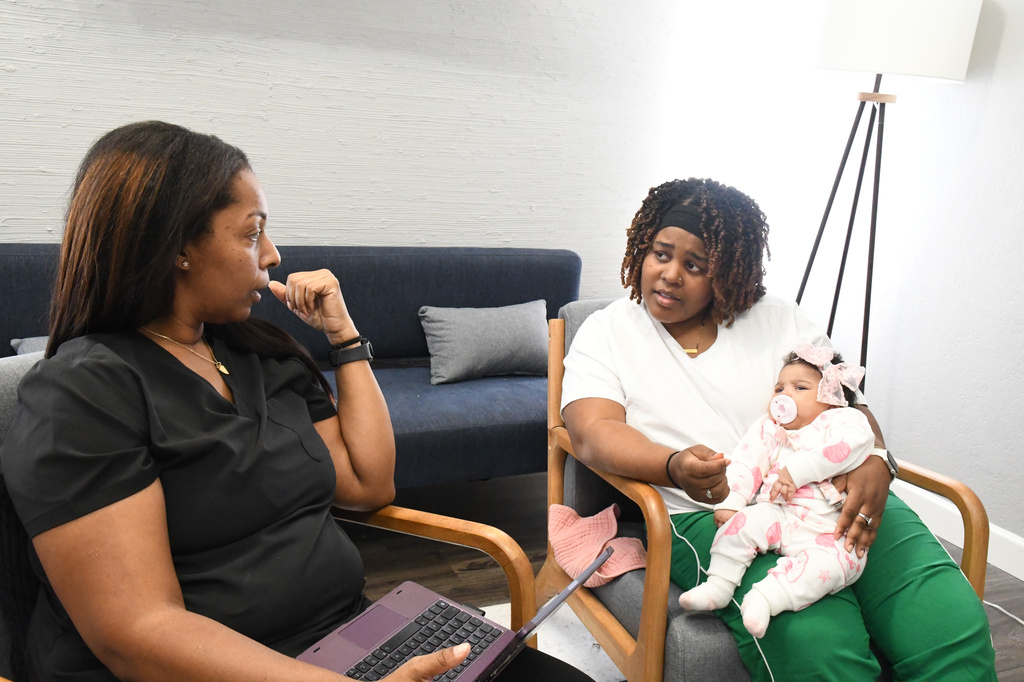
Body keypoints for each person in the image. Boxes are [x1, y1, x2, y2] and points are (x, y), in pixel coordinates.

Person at [0, 121, 593, 682]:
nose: (272, 254)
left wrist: (345, 338)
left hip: (348, 638)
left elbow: (370, 484)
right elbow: (136, 633)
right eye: (252, 232)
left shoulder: (257, 354)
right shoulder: (82, 392)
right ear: (177, 247)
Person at [560, 178, 996, 680]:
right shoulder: (608, 331)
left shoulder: (780, 317)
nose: (670, 274)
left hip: (836, 492)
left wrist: (878, 458)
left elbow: (850, 404)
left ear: (727, 271)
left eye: (695, 266)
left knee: (948, 622)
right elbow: (593, 430)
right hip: (715, 513)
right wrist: (672, 465)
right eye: (660, 254)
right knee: (820, 646)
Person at [678, 344, 874, 639]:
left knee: (844, 563)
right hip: (778, 511)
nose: (785, 395)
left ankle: (767, 598)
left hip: (828, 527)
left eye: (800, 388)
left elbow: (849, 447)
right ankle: (718, 585)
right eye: (779, 388)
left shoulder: (843, 421)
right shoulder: (769, 428)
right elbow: (747, 461)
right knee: (739, 526)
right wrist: (732, 500)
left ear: (832, 399)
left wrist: (797, 470)